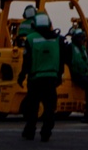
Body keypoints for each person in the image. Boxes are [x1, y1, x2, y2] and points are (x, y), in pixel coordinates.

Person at [17, 13, 66, 142]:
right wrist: (59, 75)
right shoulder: (58, 40)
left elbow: (27, 61)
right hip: (51, 78)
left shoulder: (31, 39)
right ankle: (46, 132)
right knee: (50, 108)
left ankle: (30, 131)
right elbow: (62, 60)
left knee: (33, 107)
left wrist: (22, 76)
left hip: (35, 79)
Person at [68, 27, 88, 124]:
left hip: (84, 74)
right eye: (80, 38)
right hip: (76, 75)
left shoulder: (83, 49)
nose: (82, 40)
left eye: (83, 38)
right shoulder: (70, 48)